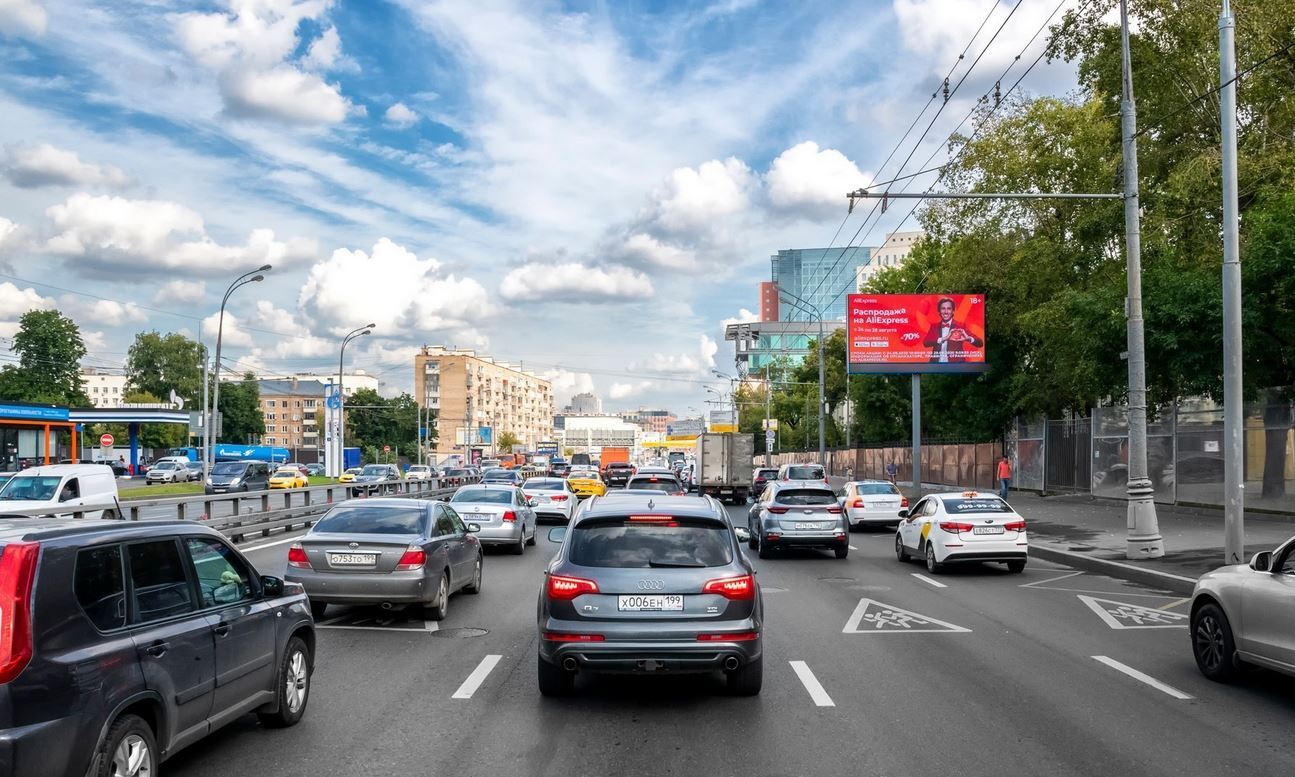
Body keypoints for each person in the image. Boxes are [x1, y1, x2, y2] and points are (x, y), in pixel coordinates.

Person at [922, 297, 984, 364]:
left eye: (949, 309)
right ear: (939, 311)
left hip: (956, 365)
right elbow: (926, 343)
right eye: (943, 308)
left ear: (953, 311)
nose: (946, 312)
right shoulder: (934, 327)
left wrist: (968, 338)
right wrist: (943, 339)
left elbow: (980, 343)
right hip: (936, 364)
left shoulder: (960, 326)